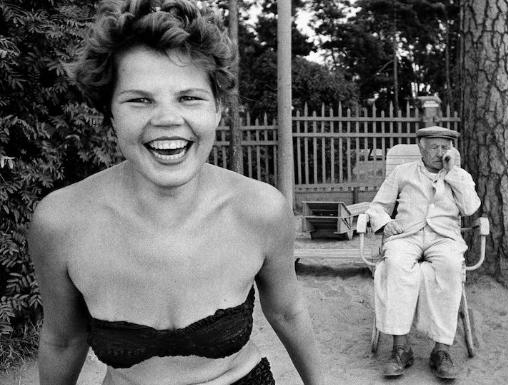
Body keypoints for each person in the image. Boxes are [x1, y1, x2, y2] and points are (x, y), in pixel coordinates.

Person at [27, 1, 324, 384]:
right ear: (110, 113)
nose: (167, 119)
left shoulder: (261, 210)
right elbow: (63, 340)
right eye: (139, 99)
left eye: (189, 97)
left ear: (218, 109)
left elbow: (287, 312)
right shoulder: (61, 222)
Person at [365, 126, 481, 379]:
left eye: (445, 148)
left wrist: (454, 173)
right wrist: (385, 223)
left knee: (450, 266)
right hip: (407, 234)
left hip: (444, 237)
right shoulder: (402, 172)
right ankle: (401, 349)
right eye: (434, 147)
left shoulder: (457, 175)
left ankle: (441, 351)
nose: (440, 153)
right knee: (394, 264)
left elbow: (471, 207)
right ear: (421, 147)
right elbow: (377, 205)